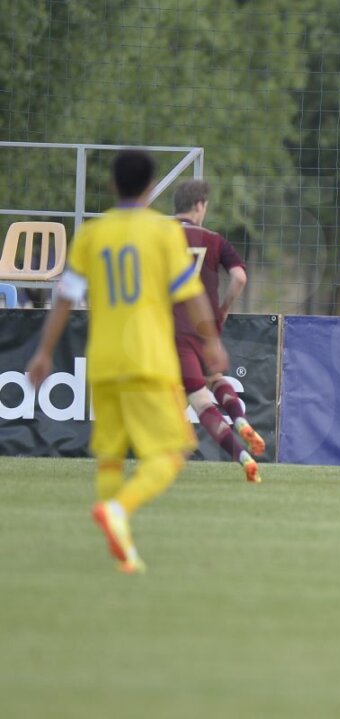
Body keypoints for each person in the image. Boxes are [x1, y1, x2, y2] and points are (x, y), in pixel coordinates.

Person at [25, 150, 228, 573]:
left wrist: (44, 352)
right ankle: (119, 509)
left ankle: (122, 545)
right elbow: (188, 294)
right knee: (175, 451)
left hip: (103, 360)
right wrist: (210, 341)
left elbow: (64, 297)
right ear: (152, 188)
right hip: (148, 359)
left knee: (111, 456)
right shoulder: (162, 234)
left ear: (113, 186)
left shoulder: (92, 235)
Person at [171, 179, 266, 483]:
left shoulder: (158, 236)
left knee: (199, 400)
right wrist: (223, 309)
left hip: (171, 328)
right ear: (199, 206)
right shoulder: (214, 239)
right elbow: (239, 277)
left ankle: (243, 456)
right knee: (214, 379)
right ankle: (239, 419)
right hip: (206, 328)